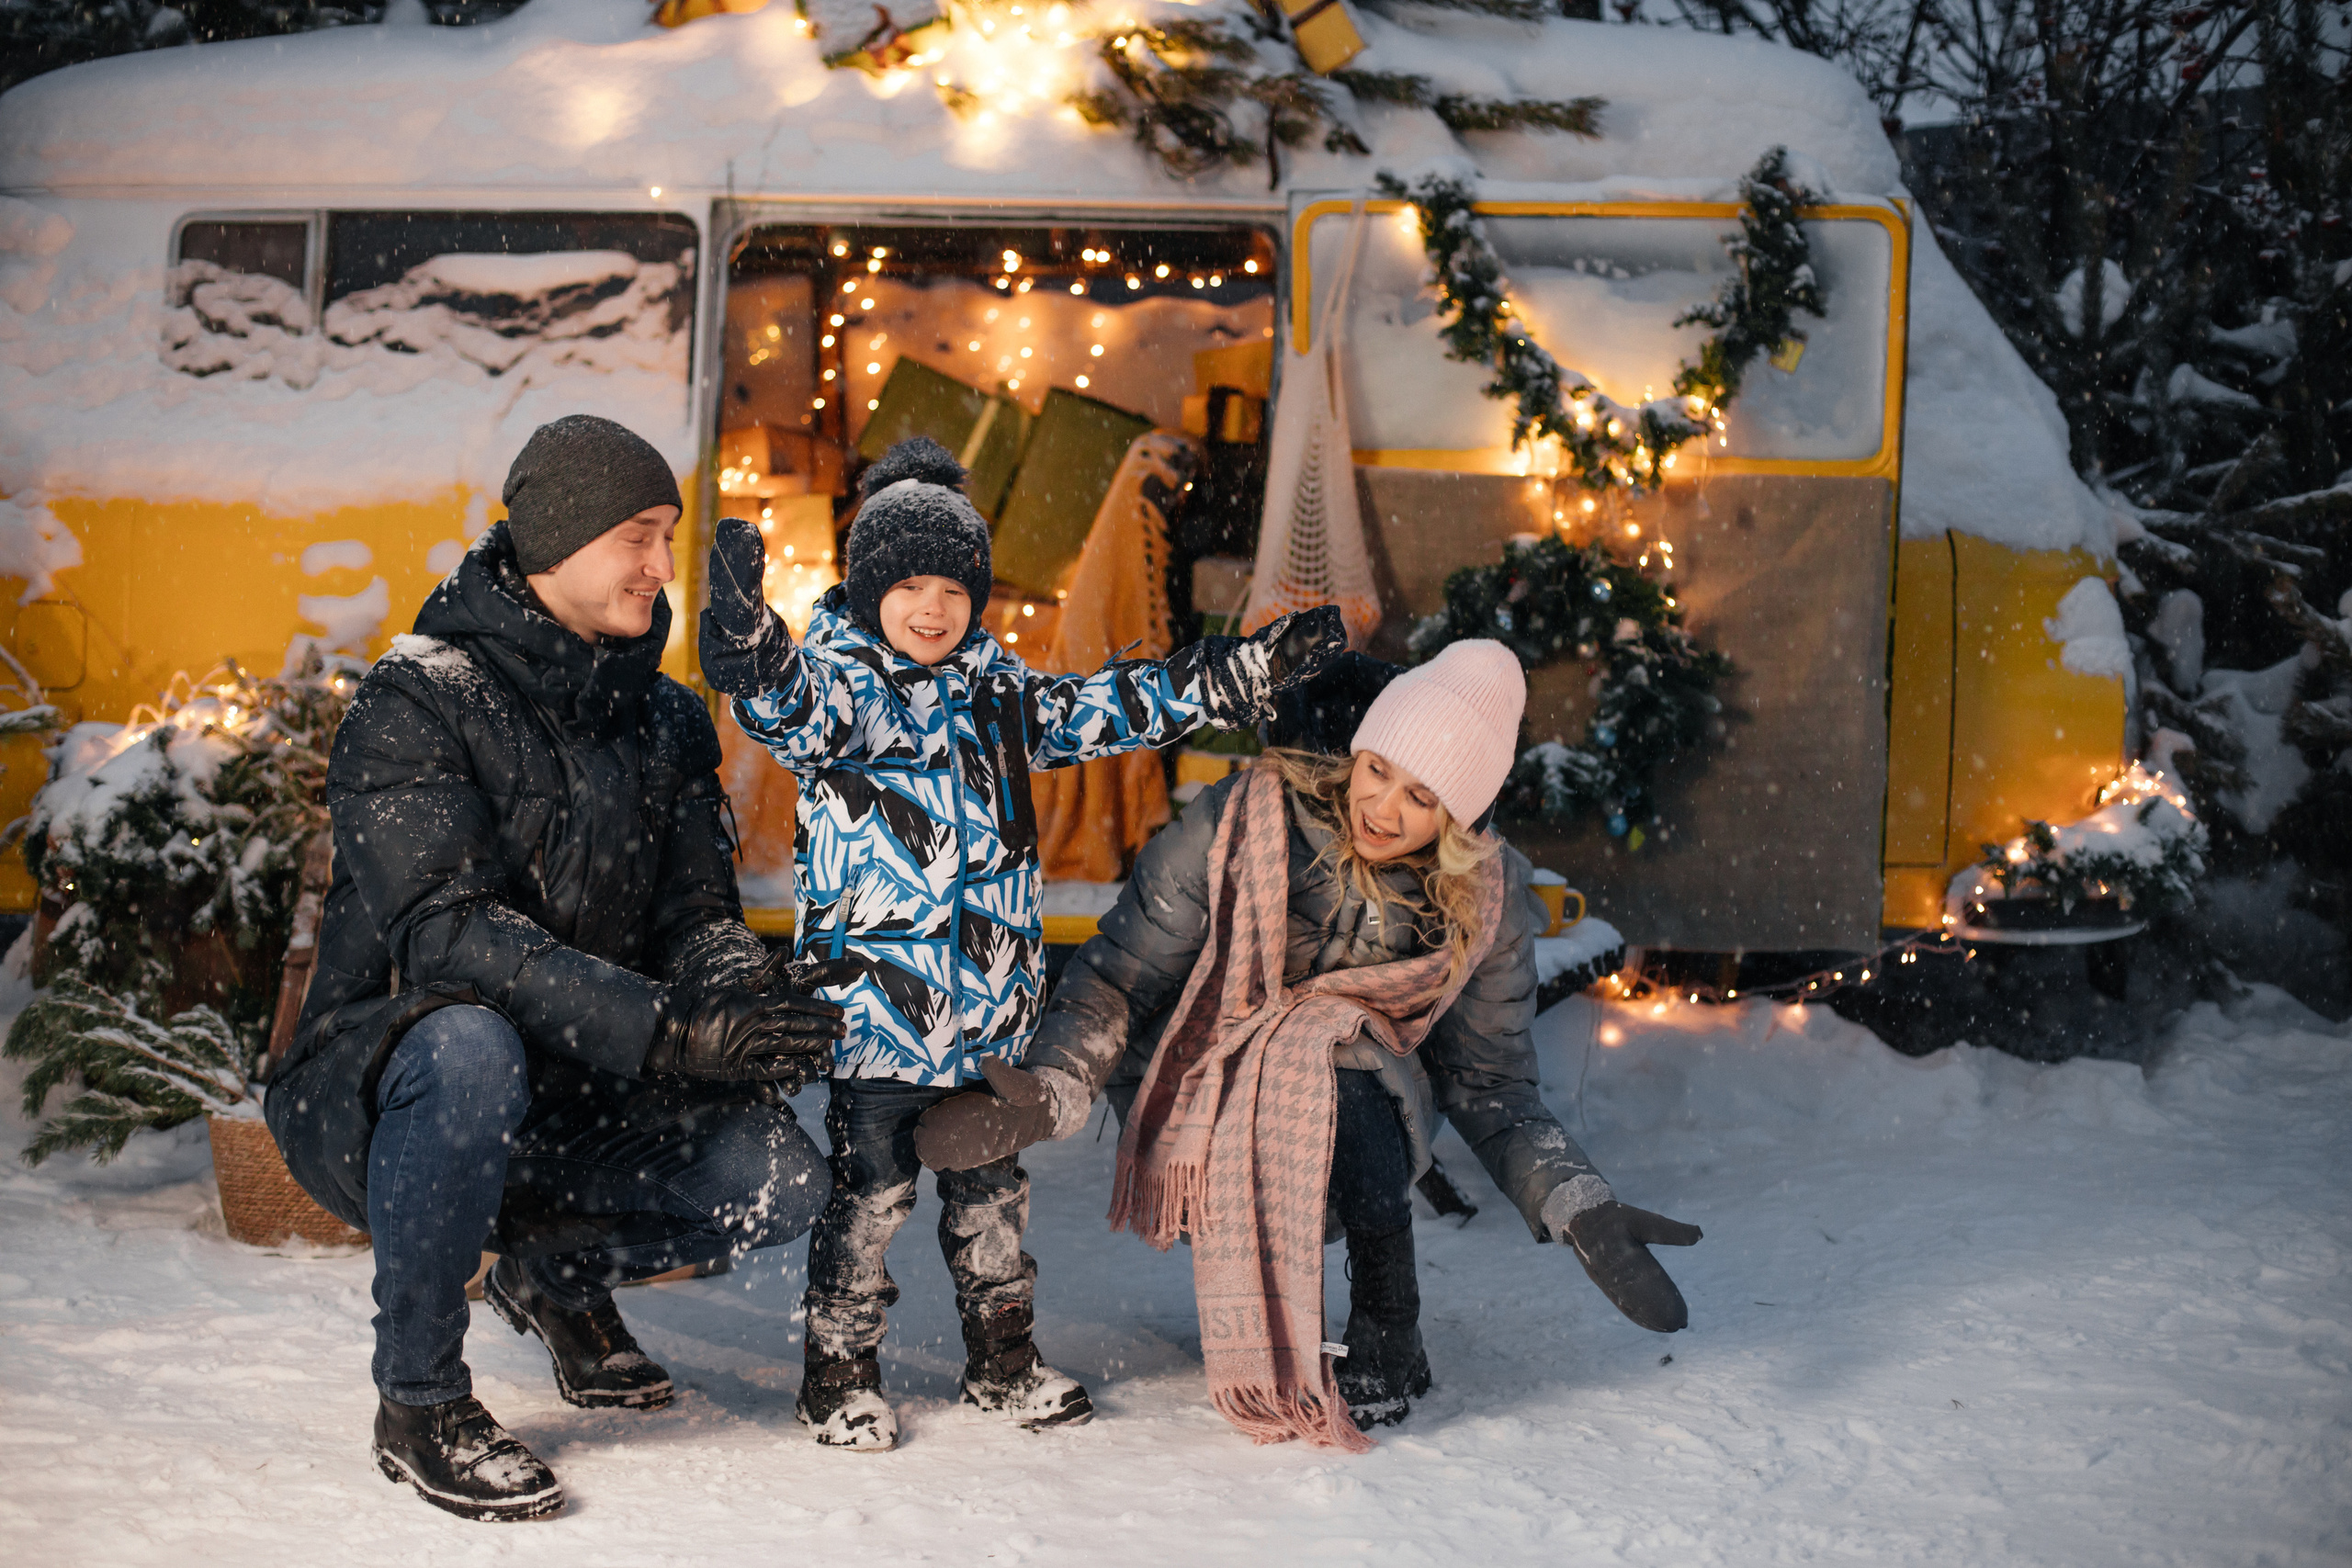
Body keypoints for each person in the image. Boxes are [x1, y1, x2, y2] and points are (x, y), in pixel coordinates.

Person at [697, 435, 1345, 1450]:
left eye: (952, 587)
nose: (931, 607)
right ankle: (838, 1374)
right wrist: (748, 649)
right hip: (874, 1025)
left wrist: (1238, 673)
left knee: (994, 1204)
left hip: (988, 1018)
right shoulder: (847, 699)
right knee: (868, 1207)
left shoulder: (1003, 698)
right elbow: (787, 704)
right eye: (906, 585)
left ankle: (1002, 1363)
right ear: (867, 591)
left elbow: (1118, 706)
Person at [269, 414, 850, 1522]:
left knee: (782, 1178)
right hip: (389, 1087)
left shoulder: (669, 719)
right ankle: (421, 1401)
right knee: (470, 1042)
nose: (657, 564)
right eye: (637, 533)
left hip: (582, 1086)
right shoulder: (418, 698)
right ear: (554, 541)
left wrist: (736, 997)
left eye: (666, 537)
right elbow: (446, 932)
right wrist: (668, 1031)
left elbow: (693, 906)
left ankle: (556, 1278)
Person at [915, 639, 1703, 1446]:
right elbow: (1125, 971)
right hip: (1203, 1096)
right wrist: (1056, 1085)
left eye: (1422, 796)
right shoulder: (1238, 821)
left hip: (1367, 1120)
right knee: (1310, 1041)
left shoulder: (1482, 903)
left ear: (1461, 817)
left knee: (1333, 1040)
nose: (1384, 808)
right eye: (1378, 770)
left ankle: (1390, 1318)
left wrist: (1577, 1202)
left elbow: (1490, 1082)